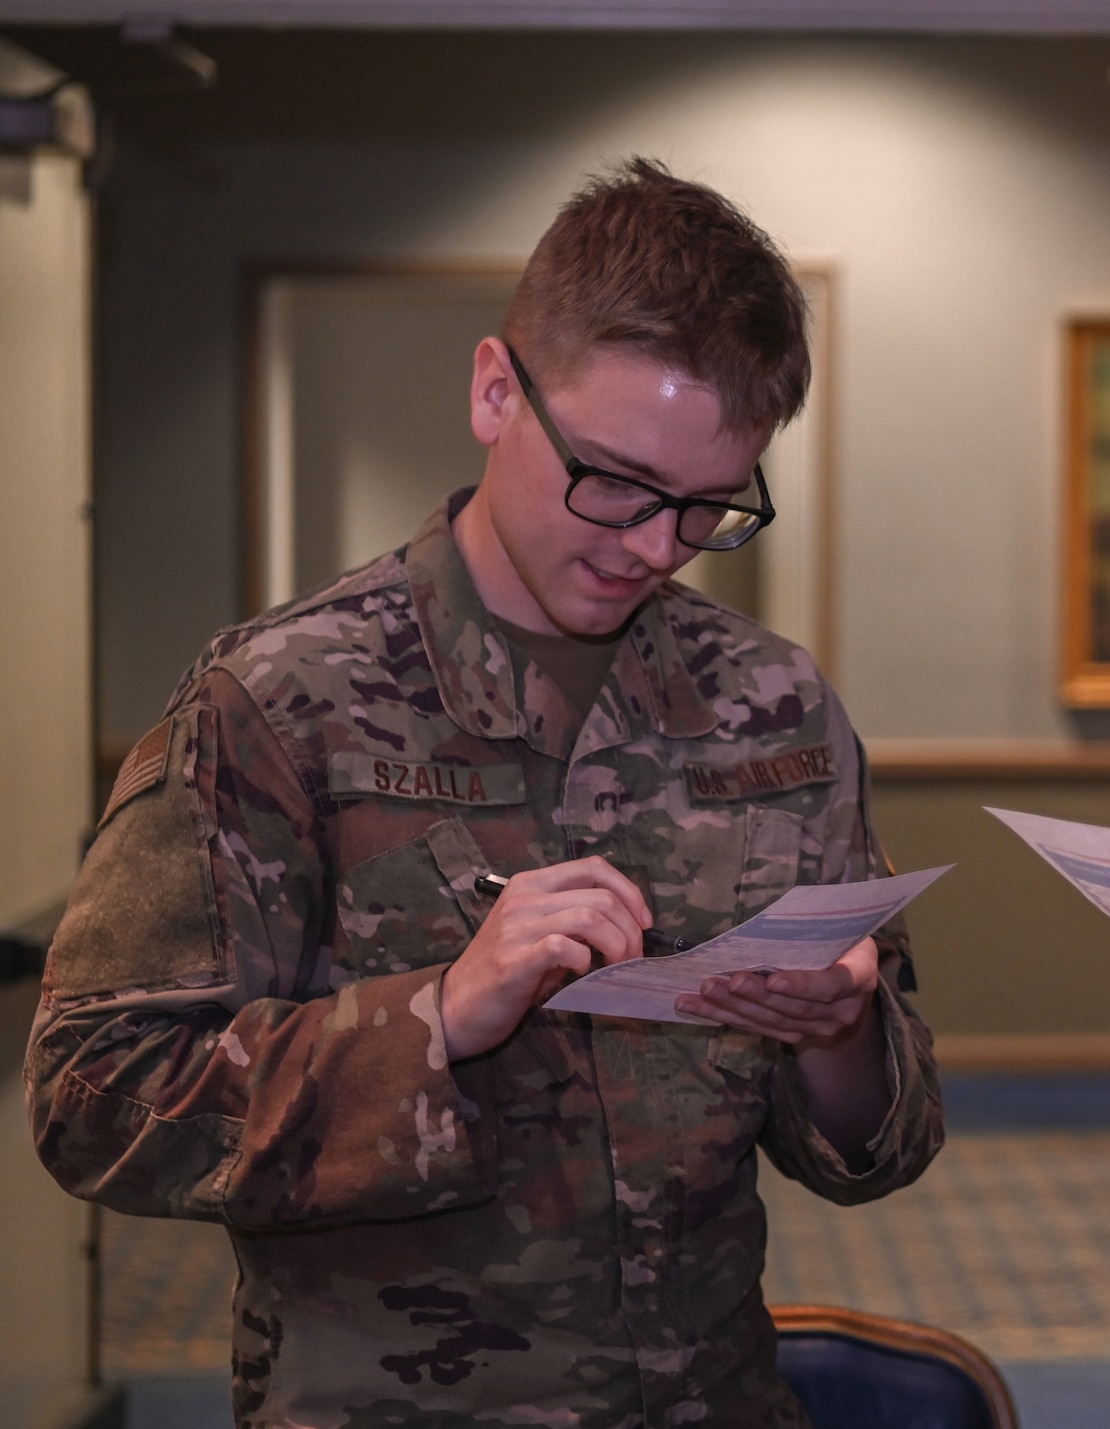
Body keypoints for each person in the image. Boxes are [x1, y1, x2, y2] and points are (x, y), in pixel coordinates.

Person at [28, 160, 943, 1427]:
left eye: (704, 507)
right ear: (494, 390)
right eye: (615, 482)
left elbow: (880, 1145)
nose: (651, 546)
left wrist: (839, 1035)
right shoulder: (281, 702)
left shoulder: (772, 708)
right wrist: (440, 1016)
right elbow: (93, 1098)